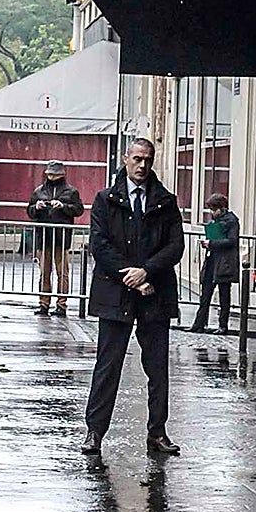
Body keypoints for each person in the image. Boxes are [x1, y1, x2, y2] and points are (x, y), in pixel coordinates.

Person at [82, 138, 183, 458]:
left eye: (148, 160)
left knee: (157, 367)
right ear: (126, 159)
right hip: (116, 293)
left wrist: (147, 272)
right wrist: (131, 275)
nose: (142, 166)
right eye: (137, 159)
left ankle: (157, 432)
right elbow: (99, 245)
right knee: (107, 366)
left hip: (155, 293)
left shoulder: (166, 201)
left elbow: (174, 246)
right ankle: (95, 431)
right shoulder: (105, 199)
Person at [27, 159, 85, 315]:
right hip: (44, 237)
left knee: (62, 273)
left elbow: (79, 209)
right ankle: (44, 303)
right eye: (50, 174)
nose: (52, 177)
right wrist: (36, 207)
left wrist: (63, 207)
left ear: (61, 174)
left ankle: (61, 304)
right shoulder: (38, 191)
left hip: (62, 237)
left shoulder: (71, 192)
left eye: (55, 174)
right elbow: (29, 211)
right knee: (44, 272)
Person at [192, 193, 241, 334]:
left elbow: (232, 241)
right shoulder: (215, 220)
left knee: (224, 296)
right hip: (212, 259)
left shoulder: (232, 221)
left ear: (222, 208)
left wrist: (211, 243)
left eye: (214, 210)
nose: (212, 213)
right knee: (205, 294)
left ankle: (223, 325)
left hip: (224, 262)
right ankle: (199, 323)